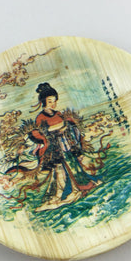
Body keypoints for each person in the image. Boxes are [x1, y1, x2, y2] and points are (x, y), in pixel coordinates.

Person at [30, 83, 101, 211]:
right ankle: (67, 192)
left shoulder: (58, 113)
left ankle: (82, 186)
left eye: (54, 101)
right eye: (50, 101)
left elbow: (66, 125)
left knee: (75, 166)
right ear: (43, 102)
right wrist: (60, 127)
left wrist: (64, 127)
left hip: (66, 145)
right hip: (56, 149)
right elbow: (44, 131)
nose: (53, 104)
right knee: (61, 173)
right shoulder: (40, 117)